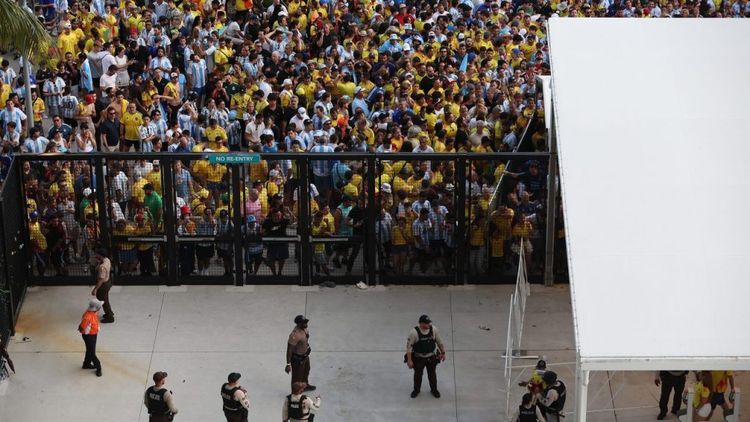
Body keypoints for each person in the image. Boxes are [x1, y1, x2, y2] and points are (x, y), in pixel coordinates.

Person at [405, 314, 446, 398]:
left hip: (431, 356)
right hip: (419, 358)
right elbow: (409, 347)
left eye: (429, 323)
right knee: (418, 375)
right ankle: (416, 390)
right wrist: (409, 360)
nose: (428, 325)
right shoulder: (414, 332)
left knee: (432, 375)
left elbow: (439, 342)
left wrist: (443, 352)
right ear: (421, 324)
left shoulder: (433, 329)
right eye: (426, 323)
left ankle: (434, 390)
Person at [286, 315, 316, 392]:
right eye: (303, 323)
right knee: (297, 378)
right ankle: (295, 394)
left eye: (306, 322)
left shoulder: (304, 329)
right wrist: (288, 364)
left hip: (305, 356)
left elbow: (306, 338)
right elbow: (289, 350)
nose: (306, 324)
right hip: (298, 359)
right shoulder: (295, 335)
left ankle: (305, 386)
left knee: (306, 371)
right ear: (298, 324)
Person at [78, 298, 103, 377]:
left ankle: (86, 364)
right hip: (89, 336)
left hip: (93, 335)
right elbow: (81, 328)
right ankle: (98, 367)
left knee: (90, 350)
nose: (100, 307)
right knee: (92, 353)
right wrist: (86, 332)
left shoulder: (93, 312)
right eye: (99, 306)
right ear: (97, 308)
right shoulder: (88, 316)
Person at [91, 248, 114, 323]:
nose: (96, 255)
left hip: (104, 284)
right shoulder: (107, 260)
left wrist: (95, 289)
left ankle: (110, 317)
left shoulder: (102, 267)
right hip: (108, 281)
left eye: (97, 254)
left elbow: (101, 280)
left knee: (103, 300)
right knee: (105, 299)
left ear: (100, 255)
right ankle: (109, 313)